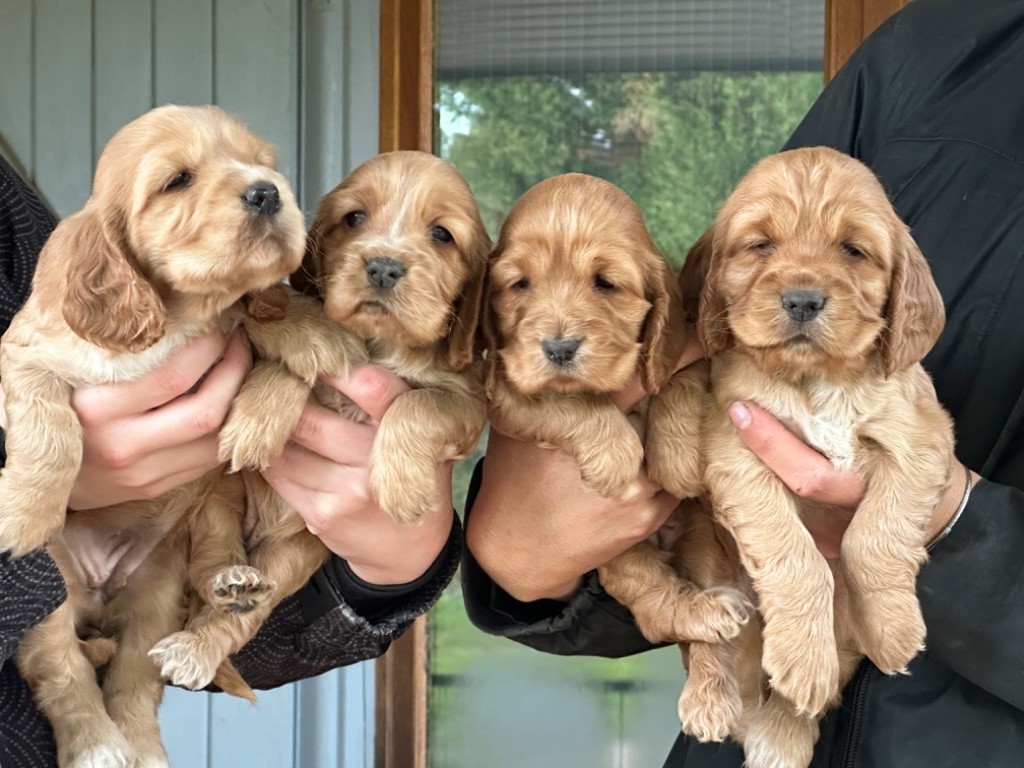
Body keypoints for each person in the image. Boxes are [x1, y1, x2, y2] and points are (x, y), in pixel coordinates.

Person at [462, 0, 1024, 764]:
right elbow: (698, 349)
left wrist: (950, 537)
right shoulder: (943, 41)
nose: (803, 284)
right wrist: (542, 572)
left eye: (855, 254)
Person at [0, 154, 461, 767]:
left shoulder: (15, 211)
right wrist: (49, 480)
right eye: (178, 180)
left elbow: (235, 645)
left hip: (168, 573)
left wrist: (382, 576)